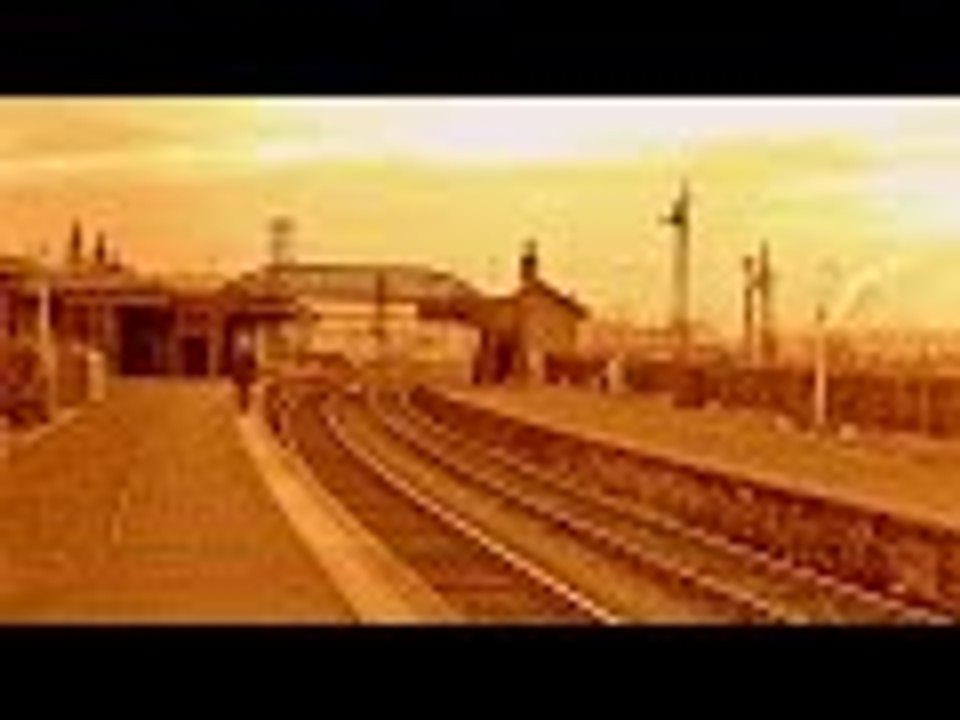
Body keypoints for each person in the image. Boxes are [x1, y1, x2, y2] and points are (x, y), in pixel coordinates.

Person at [232, 334, 258, 412]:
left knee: (244, 392)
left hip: (245, 375)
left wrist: (253, 374)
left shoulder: (247, 355)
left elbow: (253, 365)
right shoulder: (238, 355)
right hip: (242, 375)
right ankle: (243, 406)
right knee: (243, 392)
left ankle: (244, 406)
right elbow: (235, 366)